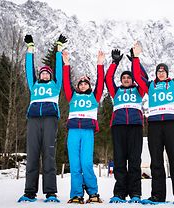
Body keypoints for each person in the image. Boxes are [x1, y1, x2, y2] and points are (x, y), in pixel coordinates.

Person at [132, 40, 174, 205]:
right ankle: (158, 195)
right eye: (159, 71)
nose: (161, 73)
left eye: (164, 70)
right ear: (156, 73)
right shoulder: (150, 85)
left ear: (167, 73)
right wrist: (136, 57)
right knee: (156, 161)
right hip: (154, 126)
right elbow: (137, 76)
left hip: (172, 125)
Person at [18, 34, 66, 203]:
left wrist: (59, 49)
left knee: (49, 155)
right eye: (42, 73)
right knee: (32, 156)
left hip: (50, 120)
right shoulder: (34, 85)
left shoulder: (55, 85)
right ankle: (29, 192)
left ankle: (51, 192)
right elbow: (28, 68)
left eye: (47, 73)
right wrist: (30, 47)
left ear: (51, 76)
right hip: (33, 120)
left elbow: (59, 69)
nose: (44, 75)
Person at [62, 49, 105, 204]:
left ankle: (93, 193)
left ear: (89, 85)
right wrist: (66, 64)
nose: (83, 84)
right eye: (81, 83)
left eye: (86, 82)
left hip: (87, 132)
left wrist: (100, 63)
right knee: (75, 165)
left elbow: (101, 82)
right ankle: (76, 194)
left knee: (86, 163)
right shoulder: (72, 96)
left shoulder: (95, 96)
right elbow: (66, 82)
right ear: (78, 86)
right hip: (73, 132)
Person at [105, 48, 147, 203]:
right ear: (121, 80)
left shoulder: (139, 90)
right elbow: (108, 79)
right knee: (120, 160)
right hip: (118, 127)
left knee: (135, 161)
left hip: (135, 126)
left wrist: (135, 60)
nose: (126, 79)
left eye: (129, 77)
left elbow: (144, 77)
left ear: (133, 80)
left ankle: (135, 192)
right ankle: (120, 192)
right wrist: (115, 63)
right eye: (124, 77)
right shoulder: (115, 91)